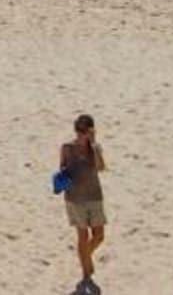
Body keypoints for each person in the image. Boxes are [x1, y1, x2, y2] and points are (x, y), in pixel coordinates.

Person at [59, 114, 107, 292]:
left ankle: (85, 257)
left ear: (90, 132)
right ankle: (86, 272)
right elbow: (61, 167)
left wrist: (93, 146)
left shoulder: (95, 148)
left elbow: (101, 167)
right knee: (83, 236)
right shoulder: (67, 148)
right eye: (77, 131)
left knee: (99, 236)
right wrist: (63, 175)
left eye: (83, 132)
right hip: (75, 198)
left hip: (94, 196)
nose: (79, 135)